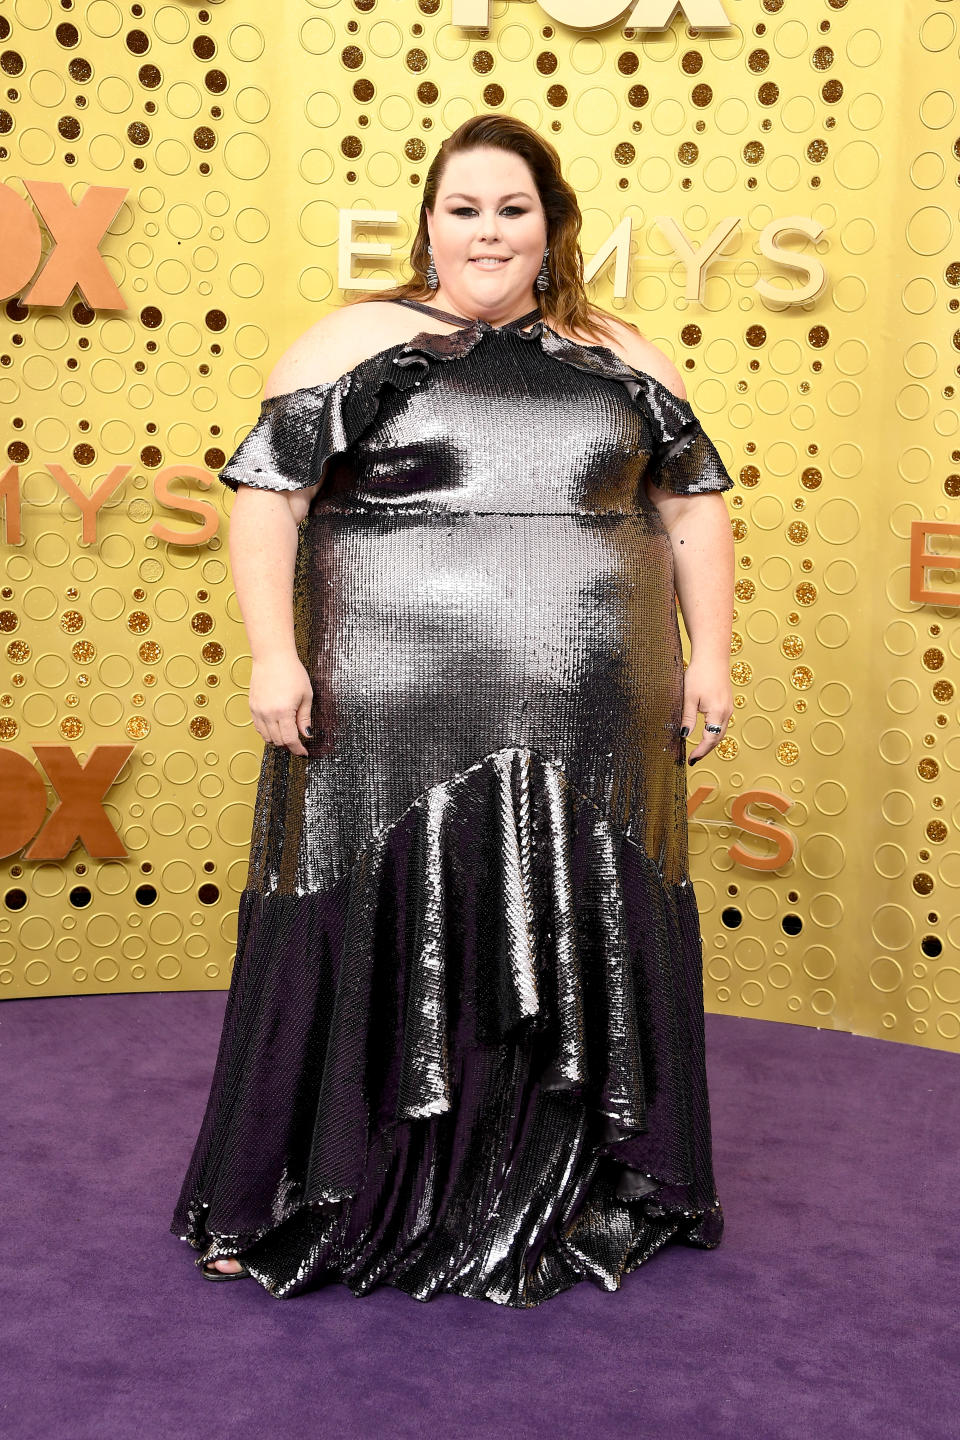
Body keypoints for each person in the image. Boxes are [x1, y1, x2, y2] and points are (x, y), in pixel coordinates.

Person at [170, 113, 735, 1307]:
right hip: (388, 700)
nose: (487, 230)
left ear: (552, 225)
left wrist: (710, 655)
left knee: (581, 914)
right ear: (428, 222)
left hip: (594, 699)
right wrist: (274, 654)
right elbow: (269, 500)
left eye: (512, 209)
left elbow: (690, 510)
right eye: (463, 207)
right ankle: (308, 1189)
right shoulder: (356, 337)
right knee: (368, 911)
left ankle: (575, 1180)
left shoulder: (621, 351)